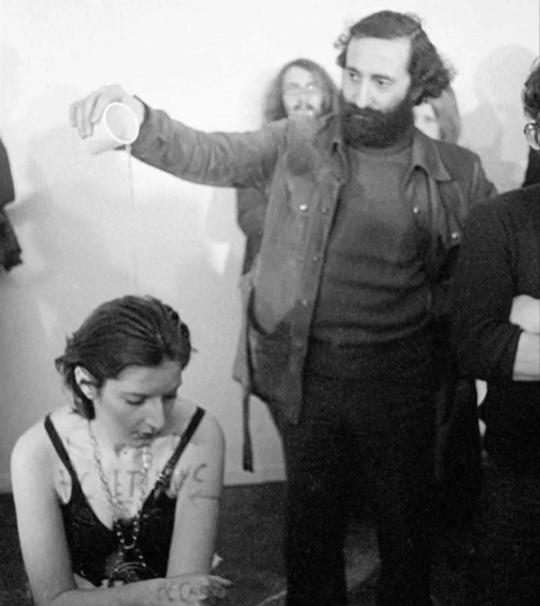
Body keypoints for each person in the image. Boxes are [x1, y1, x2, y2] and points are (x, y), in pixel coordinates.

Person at [69, 11, 496, 606]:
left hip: (403, 380)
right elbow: (210, 154)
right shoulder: (298, 141)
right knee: (311, 526)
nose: (360, 95)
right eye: (352, 75)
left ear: (416, 85)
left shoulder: (458, 171)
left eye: (381, 81)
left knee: (406, 527)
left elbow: (477, 281)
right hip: (305, 376)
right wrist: (136, 118)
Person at [11, 295, 231, 605]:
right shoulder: (37, 453)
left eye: (170, 395)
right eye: (135, 400)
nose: (158, 420)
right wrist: (162, 591)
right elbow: (53, 600)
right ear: (86, 384)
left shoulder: (198, 434)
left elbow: (186, 600)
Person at [451, 59, 540, 606]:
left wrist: (529, 316)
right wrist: (506, 332)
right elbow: (477, 344)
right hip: (522, 469)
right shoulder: (498, 220)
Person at [236, 58, 339, 274]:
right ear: (280, 98)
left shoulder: (343, 151)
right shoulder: (258, 151)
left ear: (327, 95)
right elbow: (251, 220)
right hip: (270, 273)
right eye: (293, 89)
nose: (303, 98)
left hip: (329, 275)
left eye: (312, 88)